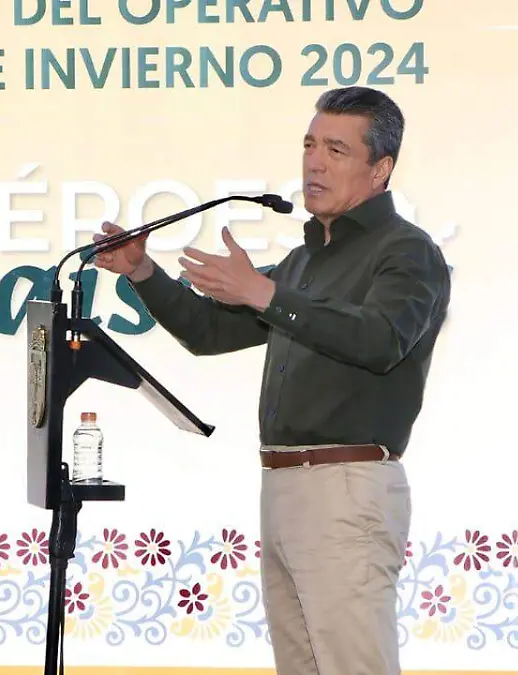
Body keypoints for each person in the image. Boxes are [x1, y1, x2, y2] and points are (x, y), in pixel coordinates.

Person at [92, 86, 452, 675]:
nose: (315, 163)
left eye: (336, 149)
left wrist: (265, 294)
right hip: (283, 486)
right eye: (310, 145)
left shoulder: (408, 252)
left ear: (380, 169)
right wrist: (143, 271)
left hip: (346, 486)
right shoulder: (306, 260)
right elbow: (209, 330)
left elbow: (381, 339)